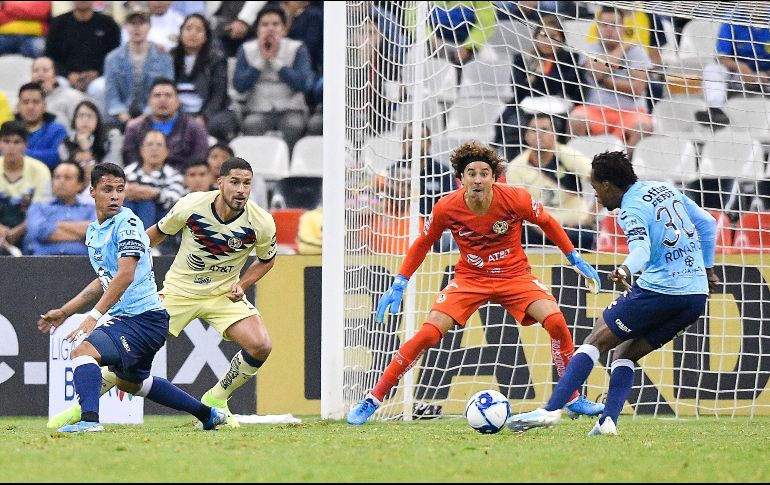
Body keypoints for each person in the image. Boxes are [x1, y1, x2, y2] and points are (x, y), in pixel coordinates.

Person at [347, 142, 605, 425]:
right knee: (427, 335)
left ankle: (572, 398)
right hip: (470, 279)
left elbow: (547, 222)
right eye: (472, 173)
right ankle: (373, 399)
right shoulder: (447, 206)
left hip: (514, 275)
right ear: (461, 178)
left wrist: (574, 257)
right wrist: (400, 282)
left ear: (494, 177)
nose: (478, 179)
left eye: (484, 173)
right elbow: (423, 242)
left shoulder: (515, 198)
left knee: (556, 322)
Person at [48, 157, 278, 430]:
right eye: (235, 182)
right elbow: (156, 234)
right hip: (179, 292)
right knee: (131, 374)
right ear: (220, 183)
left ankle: (216, 399)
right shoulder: (192, 205)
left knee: (261, 344)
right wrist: (133, 254)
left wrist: (244, 282)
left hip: (223, 293)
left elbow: (267, 258)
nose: (241, 190)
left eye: (247, 184)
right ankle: (83, 410)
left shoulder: (261, 222)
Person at [507, 151, 720, 436]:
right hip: (695, 297)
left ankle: (551, 410)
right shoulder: (663, 188)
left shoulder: (630, 210)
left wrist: (625, 270)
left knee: (595, 339)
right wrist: (707, 268)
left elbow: (641, 250)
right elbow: (707, 222)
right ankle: (608, 422)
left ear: (607, 185)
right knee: (626, 353)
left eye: (596, 189)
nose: (595, 197)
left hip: (661, 290)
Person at [569, 6, 653, 155]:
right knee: (576, 118)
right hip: (596, 110)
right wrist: (621, 48)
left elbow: (637, 90)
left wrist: (605, 81)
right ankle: (585, 168)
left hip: (631, 112)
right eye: (604, 25)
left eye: (613, 25)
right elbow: (597, 72)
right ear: (597, 28)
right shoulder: (589, 48)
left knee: (643, 126)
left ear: (622, 27)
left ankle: (622, 168)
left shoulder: (637, 51)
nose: (608, 29)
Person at [232, 4, 314, 150]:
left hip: (290, 110)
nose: (270, 29)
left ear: (284, 29)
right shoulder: (246, 49)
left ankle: (289, 169)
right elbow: (239, 85)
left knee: (293, 126)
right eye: (265, 24)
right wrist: (261, 62)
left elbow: (303, 84)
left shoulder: (297, 48)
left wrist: (276, 62)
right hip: (257, 110)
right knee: (252, 125)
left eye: (275, 24)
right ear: (257, 29)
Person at [507, 115, 595, 250]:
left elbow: (602, 180)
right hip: (537, 229)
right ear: (526, 136)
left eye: (544, 130)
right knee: (517, 233)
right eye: (533, 130)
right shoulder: (516, 167)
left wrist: (591, 216)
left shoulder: (569, 156)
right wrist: (545, 230)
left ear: (555, 134)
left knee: (585, 235)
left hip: (572, 227)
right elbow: (519, 210)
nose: (539, 135)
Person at [103, 6, 174, 130]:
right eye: (132, 23)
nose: (137, 27)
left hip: (155, 115)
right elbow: (112, 95)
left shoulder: (163, 57)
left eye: (141, 23)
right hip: (121, 117)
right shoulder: (112, 58)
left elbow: (167, 91)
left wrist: (143, 118)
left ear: (149, 26)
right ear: (125, 26)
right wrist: (125, 118)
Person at [171, 14, 235, 142]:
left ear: (206, 36)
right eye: (188, 29)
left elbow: (218, 96)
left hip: (211, 113)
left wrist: (204, 117)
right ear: (181, 33)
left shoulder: (217, 59)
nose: (193, 33)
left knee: (215, 126)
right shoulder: (171, 58)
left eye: (199, 30)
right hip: (180, 113)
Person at [122, 78, 209, 170]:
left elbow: (199, 161)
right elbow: (131, 161)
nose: (163, 100)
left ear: (177, 101)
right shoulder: (134, 129)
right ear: (149, 101)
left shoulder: (195, 128)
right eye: (157, 95)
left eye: (168, 95)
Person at [44, 1, 121, 104]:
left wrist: (98, 72)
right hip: (67, 77)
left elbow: (115, 56)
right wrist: (68, 74)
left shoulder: (108, 24)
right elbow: (50, 57)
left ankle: (100, 119)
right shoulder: (58, 24)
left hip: (98, 77)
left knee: (100, 87)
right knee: (58, 84)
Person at [0, 120, 51, 255]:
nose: (11, 147)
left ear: (25, 145)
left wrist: (17, 231)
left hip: (28, 227)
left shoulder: (40, 170)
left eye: (17, 142)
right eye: (6, 141)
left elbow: (42, 209)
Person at [24, 160, 95, 255]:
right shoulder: (38, 207)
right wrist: (83, 236)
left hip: (81, 264)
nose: (61, 181)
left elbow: (97, 233)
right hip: (42, 264)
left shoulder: (91, 208)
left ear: (80, 184)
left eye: (67, 178)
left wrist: (57, 224)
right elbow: (39, 232)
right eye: (57, 177)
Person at [123, 130, 186, 230]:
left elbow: (176, 202)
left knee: (147, 204)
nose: (154, 149)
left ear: (166, 151)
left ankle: (145, 242)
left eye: (159, 145)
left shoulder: (174, 175)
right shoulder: (127, 172)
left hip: (160, 221)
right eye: (150, 144)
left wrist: (154, 194)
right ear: (142, 150)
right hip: (129, 212)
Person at [15, 82, 68, 171]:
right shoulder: (8, 130)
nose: (30, 107)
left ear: (44, 105)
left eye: (36, 102)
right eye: (25, 102)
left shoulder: (57, 130)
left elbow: (56, 157)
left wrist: (18, 152)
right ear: (18, 106)